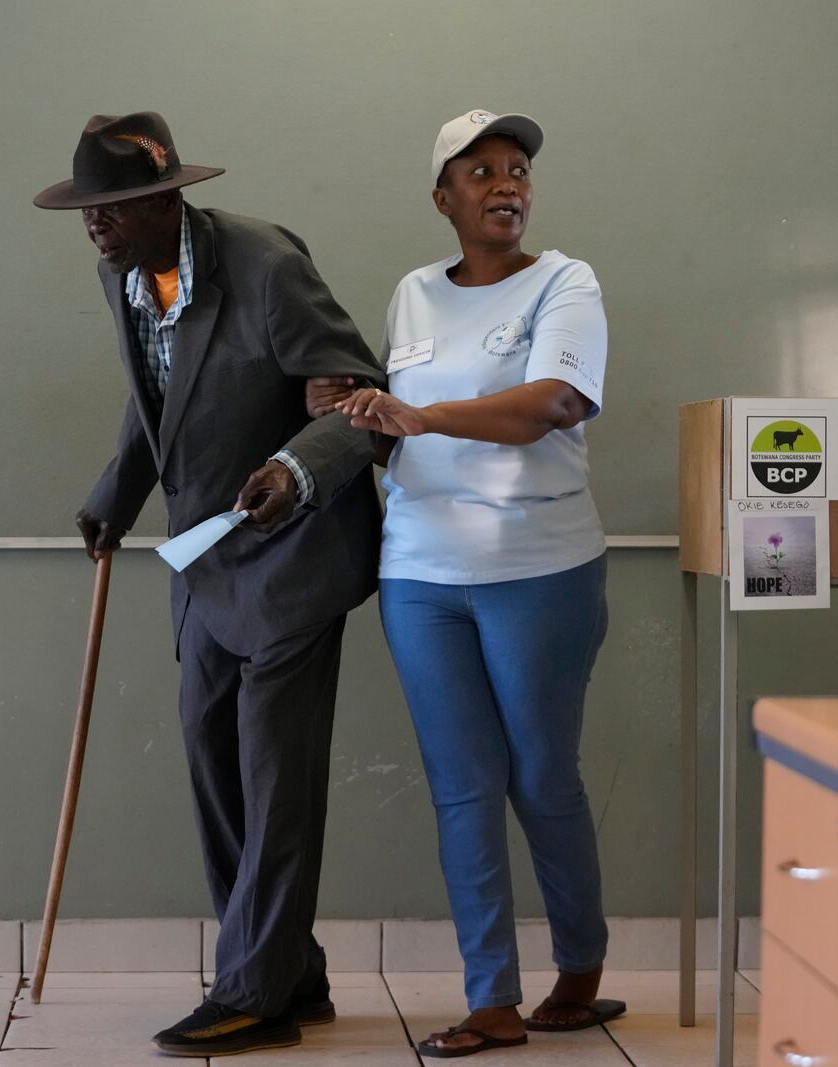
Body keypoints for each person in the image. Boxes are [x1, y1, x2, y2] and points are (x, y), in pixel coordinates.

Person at [33, 112, 384, 1057]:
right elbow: (161, 397)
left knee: (275, 780)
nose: (93, 226)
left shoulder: (264, 264)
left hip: (294, 559)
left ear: (162, 195)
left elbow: (361, 396)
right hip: (205, 569)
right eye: (85, 210)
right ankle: (289, 972)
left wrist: (297, 470)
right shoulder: (120, 276)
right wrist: (116, 495)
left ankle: (251, 989)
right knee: (215, 770)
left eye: (109, 207)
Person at [309, 109, 622, 1057]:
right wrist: (358, 410)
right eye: (479, 171)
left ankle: (581, 966)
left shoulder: (567, 281)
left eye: (517, 168)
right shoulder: (412, 292)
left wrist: (422, 414)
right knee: (462, 786)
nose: (505, 184)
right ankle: (491, 999)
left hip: (540, 566)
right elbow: (399, 425)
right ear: (443, 197)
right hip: (419, 573)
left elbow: (556, 402)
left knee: (539, 776)